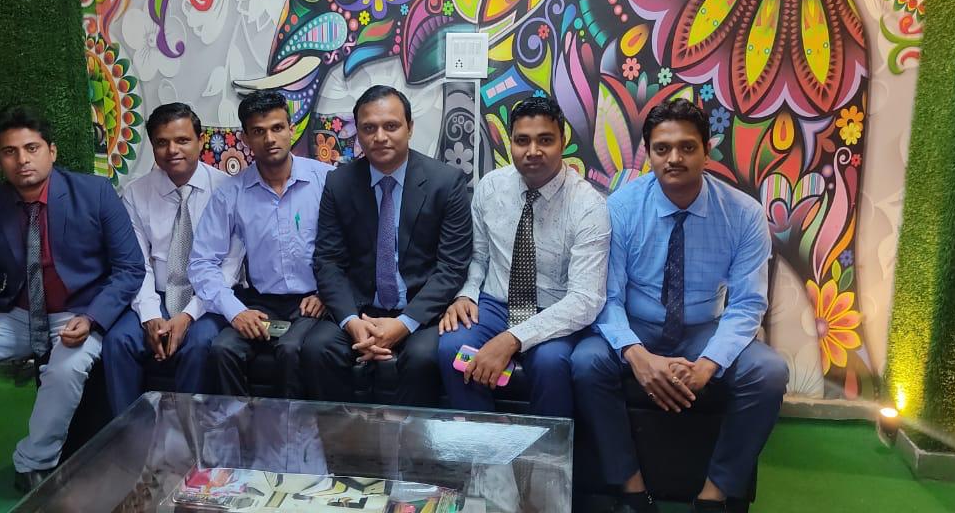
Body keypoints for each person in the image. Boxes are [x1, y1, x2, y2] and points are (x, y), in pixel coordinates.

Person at [0, 105, 144, 509]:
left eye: (32, 148)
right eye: (10, 151)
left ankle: (35, 461)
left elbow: (130, 268)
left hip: (78, 314)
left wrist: (92, 318)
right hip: (18, 315)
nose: (22, 160)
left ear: (51, 151)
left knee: (66, 368)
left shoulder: (95, 193)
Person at [571, 98, 788, 513]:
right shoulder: (620, 209)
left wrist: (708, 364)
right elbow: (607, 297)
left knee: (769, 372)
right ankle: (631, 490)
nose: (674, 158)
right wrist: (636, 355)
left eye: (687, 147)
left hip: (703, 328)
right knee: (586, 362)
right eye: (662, 148)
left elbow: (746, 305)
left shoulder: (743, 214)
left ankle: (714, 494)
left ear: (707, 152)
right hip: (637, 324)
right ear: (648, 153)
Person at [437, 96, 610, 417]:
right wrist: (466, 294)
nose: (533, 151)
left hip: (555, 309)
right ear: (511, 143)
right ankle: (481, 444)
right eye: (522, 141)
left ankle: (548, 449)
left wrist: (512, 339)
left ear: (562, 142)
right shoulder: (491, 187)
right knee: (452, 347)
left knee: (550, 363)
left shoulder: (588, 206)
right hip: (495, 304)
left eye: (545, 140)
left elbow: (586, 299)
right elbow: (478, 257)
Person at [302, 85, 472, 407]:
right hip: (361, 307)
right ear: (358, 133)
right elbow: (328, 262)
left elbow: (452, 267)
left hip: (420, 308)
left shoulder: (446, 183)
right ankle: (341, 438)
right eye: (369, 128)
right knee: (317, 349)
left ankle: (410, 441)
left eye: (391, 126)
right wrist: (352, 322)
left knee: (423, 359)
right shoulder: (339, 183)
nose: (380, 137)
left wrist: (404, 324)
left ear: (410, 128)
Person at [188, 90, 332, 398]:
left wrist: (326, 293)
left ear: (291, 128)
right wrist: (235, 311)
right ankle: (239, 426)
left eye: (277, 128)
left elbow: (351, 246)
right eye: (258, 131)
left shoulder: (325, 180)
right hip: (260, 301)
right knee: (222, 350)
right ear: (246, 139)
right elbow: (202, 262)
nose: (270, 139)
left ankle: (288, 428)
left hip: (313, 299)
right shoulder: (231, 193)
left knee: (291, 351)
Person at [103, 103, 243, 414]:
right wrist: (151, 315)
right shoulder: (135, 193)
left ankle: (188, 434)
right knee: (118, 341)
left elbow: (229, 268)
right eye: (162, 142)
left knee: (199, 345)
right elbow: (136, 263)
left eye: (182, 140)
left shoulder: (228, 190)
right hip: (156, 294)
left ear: (200, 141)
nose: (172, 150)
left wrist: (188, 315)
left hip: (208, 298)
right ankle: (128, 433)